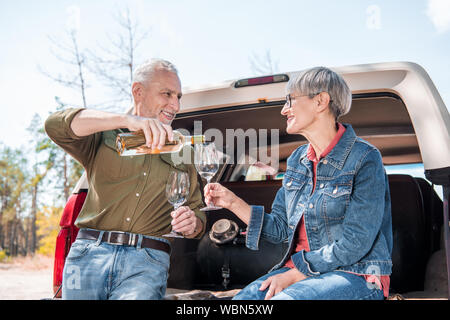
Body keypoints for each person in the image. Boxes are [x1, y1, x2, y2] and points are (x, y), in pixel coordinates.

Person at [204, 66, 392, 300]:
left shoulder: (365, 158)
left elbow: (356, 242)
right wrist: (232, 202)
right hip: (298, 272)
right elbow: (281, 229)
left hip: (356, 274)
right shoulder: (297, 160)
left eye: (290, 100)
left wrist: (298, 273)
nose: (284, 110)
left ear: (321, 101)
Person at [45, 59, 206, 300]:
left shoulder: (183, 150)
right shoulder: (103, 136)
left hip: (147, 262)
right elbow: (55, 125)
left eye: (178, 96)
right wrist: (126, 120)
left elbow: (197, 212)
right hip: (88, 255)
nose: (176, 104)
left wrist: (193, 224)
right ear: (138, 91)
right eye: (168, 94)